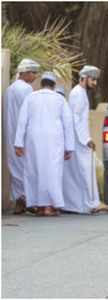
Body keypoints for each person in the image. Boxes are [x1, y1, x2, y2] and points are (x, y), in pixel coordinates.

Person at [14, 72, 75, 216]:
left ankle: (40, 207)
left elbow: (22, 120)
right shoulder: (59, 99)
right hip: (54, 139)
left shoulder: (30, 97)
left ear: (41, 84)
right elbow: (68, 123)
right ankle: (49, 207)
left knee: (34, 170)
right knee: (52, 171)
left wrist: (18, 143)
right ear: (53, 85)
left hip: (33, 139)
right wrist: (69, 147)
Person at [62, 65, 103, 214]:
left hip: (79, 140)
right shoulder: (78, 93)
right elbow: (76, 119)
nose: (95, 83)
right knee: (85, 171)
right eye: (93, 79)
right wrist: (86, 139)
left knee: (80, 173)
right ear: (84, 78)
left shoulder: (80, 92)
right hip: (80, 141)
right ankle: (91, 204)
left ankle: (85, 205)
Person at [5, 58, 40, 214]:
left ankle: (20, 200)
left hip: (10, 134)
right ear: (24, 73)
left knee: (15, 166)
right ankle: (27, 199)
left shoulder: (9, 89)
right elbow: (30, 114)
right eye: (33, 73)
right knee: (26, 167)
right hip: (22, 136)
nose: (34, 77)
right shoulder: (26, 89)